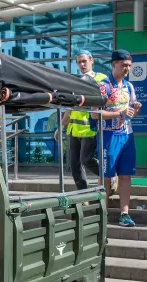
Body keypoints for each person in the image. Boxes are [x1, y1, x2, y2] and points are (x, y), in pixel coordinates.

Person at [92, 49, 141, 227]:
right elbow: (95, 114)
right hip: (108, 135)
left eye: (129, 65)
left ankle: (124, 214)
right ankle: (101, 213)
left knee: (125, 176)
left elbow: (131, 114)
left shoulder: (129, 86)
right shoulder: (103, 86)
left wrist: (135, 108)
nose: (127, 68)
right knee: (106, 177)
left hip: (127, 135)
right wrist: (119, 113)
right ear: (114, 65)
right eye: (124, 65)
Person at [55, 50, 107, 190]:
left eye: (84, 61)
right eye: (79, 62)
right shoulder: (76, 81)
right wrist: (61, 127)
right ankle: (83, 195)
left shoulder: (100, 78)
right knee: (75, 166)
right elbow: (70, 108)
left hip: (90, 128)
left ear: (92, 60)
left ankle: (109, 175)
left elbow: (106, 102)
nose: (82, 64)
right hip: (74, 130)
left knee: (86, 160)